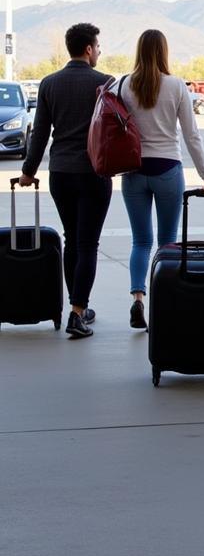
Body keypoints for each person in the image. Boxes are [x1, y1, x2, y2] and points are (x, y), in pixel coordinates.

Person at [119, 30, 204, 331]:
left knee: (140, 240)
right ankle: (165, 303)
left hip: (133, 171)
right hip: (167, 170)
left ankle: (138, 299)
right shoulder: (176, 86)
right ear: (164, 51)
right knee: (167, 243)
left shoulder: (123, 84)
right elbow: (191, 136)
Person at [19, 23, 112, 339]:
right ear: (88, 49)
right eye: (98, 46)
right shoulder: (105, 83)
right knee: (88, 244)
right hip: (94, 173)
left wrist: (29, 171)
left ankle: (79, 308)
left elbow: (40, 135)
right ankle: (77, 311)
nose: (99, 51)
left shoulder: (49, 83)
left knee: (72, 239)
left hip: (60, 173)